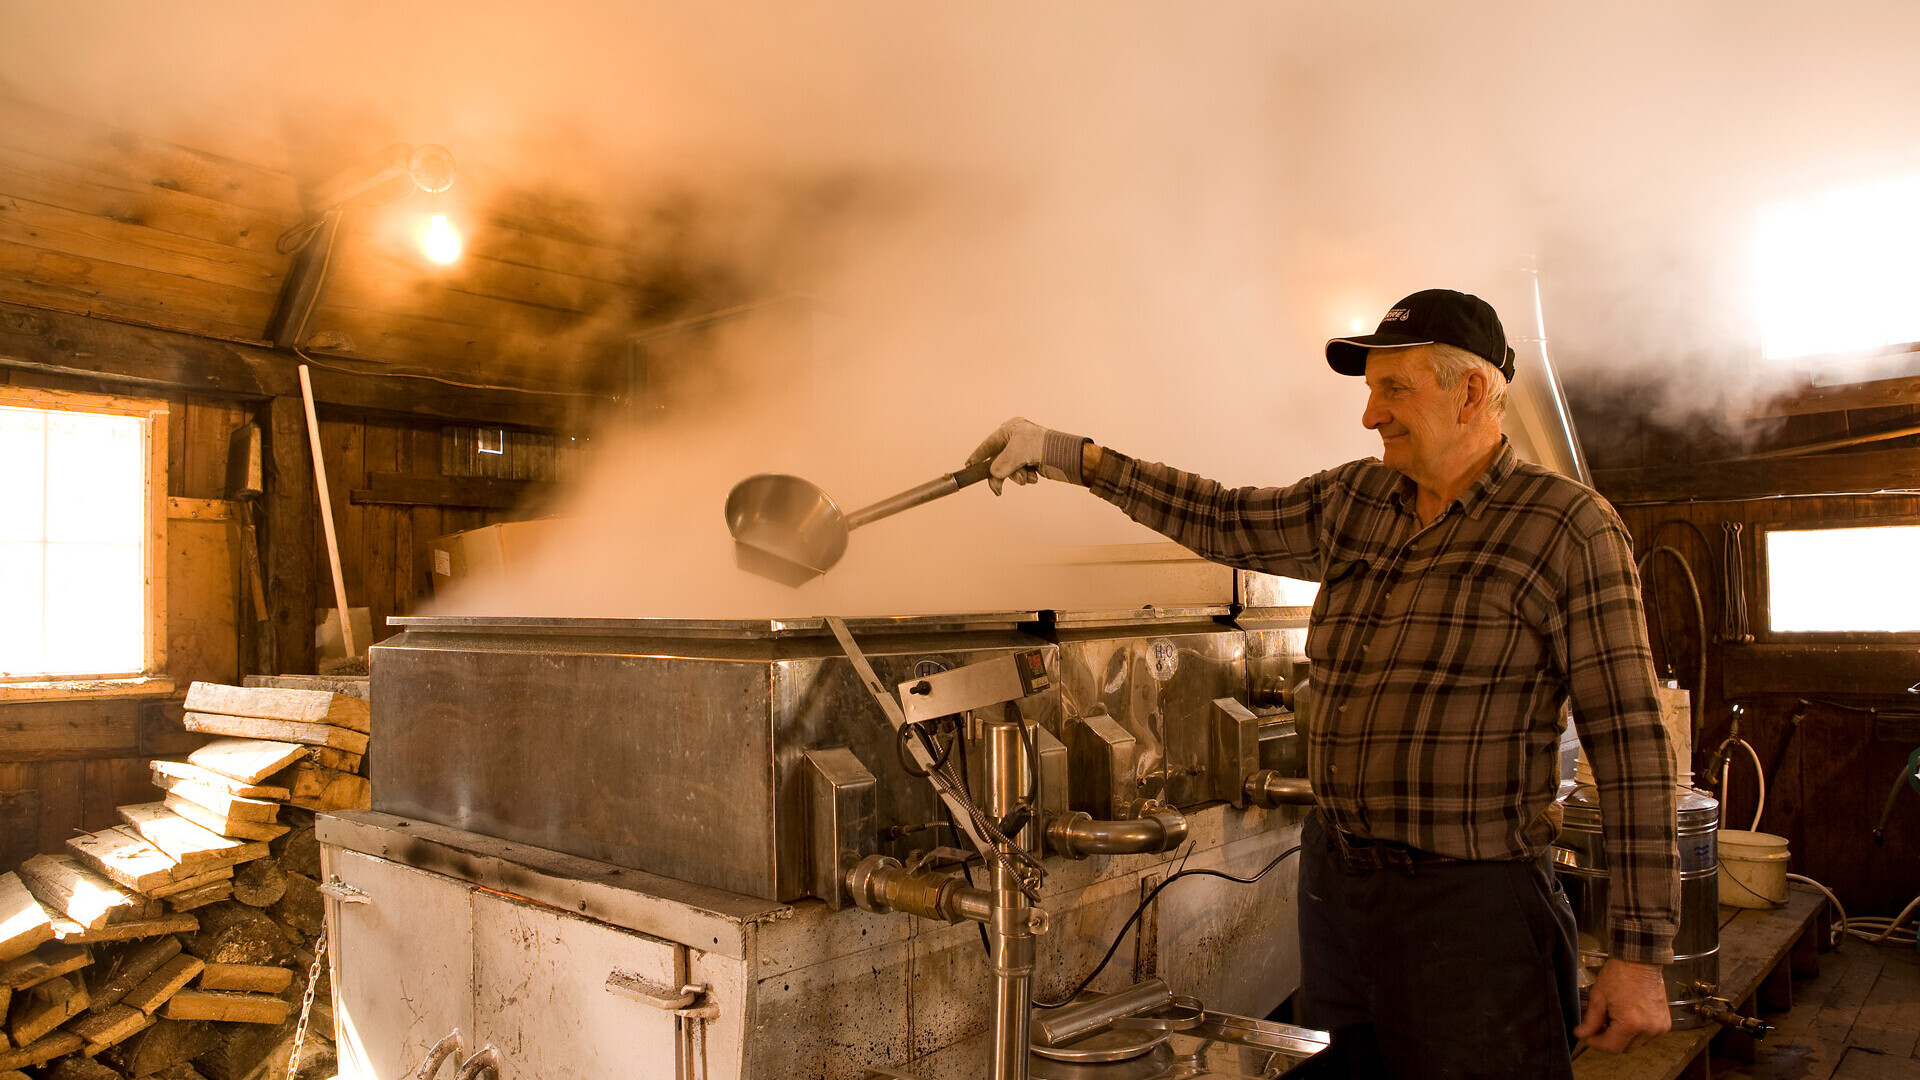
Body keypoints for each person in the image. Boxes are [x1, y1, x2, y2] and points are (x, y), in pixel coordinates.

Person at [970, 289, 1680, 1078]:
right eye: (1370, 392)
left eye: (1394, 390)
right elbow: (1222, 517)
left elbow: (1633, 747)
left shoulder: (1567, 528)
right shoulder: (1358, 500)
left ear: (1472, 392)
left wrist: (1640, 952)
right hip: (1338, 885)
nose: (1370, 415)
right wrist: (1076, 457)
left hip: (1474, 907)